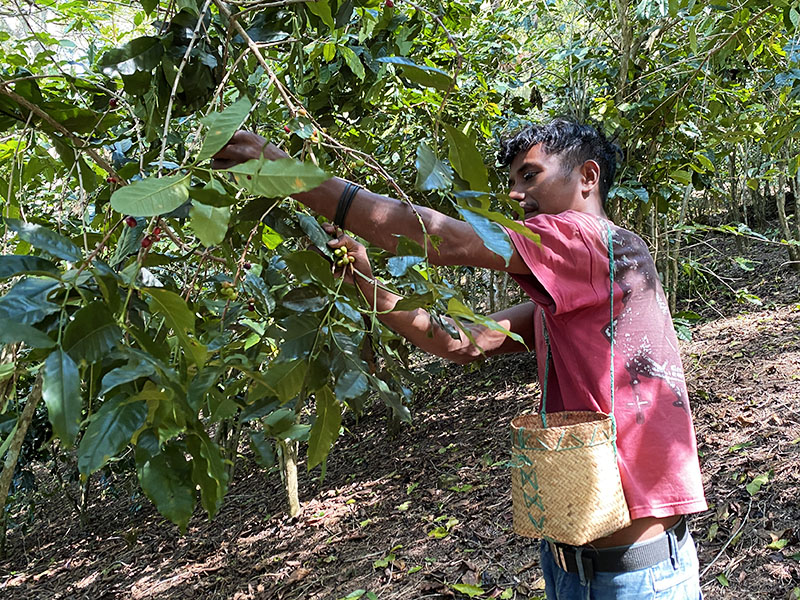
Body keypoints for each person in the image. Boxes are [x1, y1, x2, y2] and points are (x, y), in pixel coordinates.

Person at [213, 119, 707, 598]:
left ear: (588, 177)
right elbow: (460, 342)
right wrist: (367, 284)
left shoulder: (594, 242)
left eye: (530, 175)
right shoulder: (570, 293)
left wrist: (286, 174)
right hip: (569, 564)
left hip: (635, 577)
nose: (515, 195)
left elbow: (444, 238)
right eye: (511, 181)